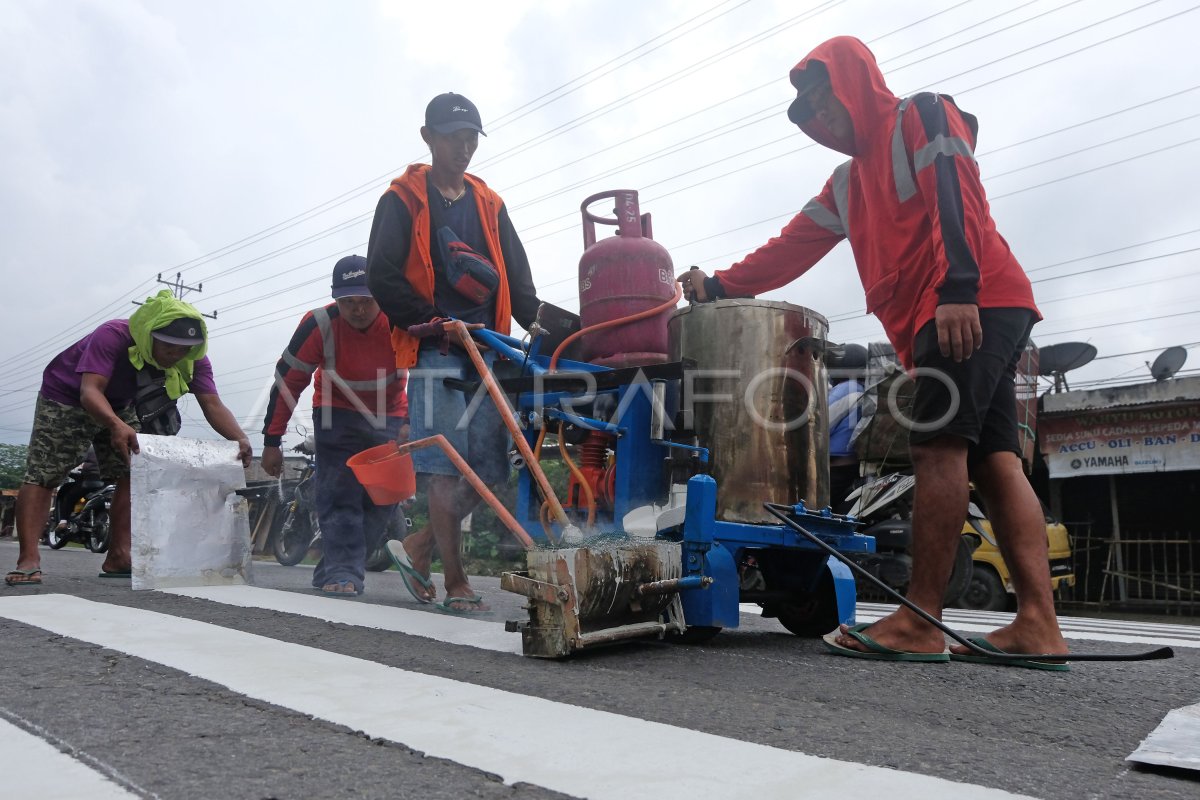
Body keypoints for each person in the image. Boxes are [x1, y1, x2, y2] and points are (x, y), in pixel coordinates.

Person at [679, 36, 1068, 665]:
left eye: (825, 101)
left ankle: (920, 621)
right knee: (996, 459)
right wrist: (720, 286)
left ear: (855, 83)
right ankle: (1038, 626)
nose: (821, 120)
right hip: (970, 305)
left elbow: (957, 187)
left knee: (935, 446)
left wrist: (958, 287)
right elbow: (791, 246)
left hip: (966, 299)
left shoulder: (920, 115)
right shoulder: (845, 183)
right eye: (810, 115)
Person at [367, 92, 540, 613]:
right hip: (435, 350)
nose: (463, 147)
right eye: (452, 137)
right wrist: (431, 323)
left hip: (487, 348)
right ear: (428, 137)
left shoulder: (489, 202)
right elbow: (382, 275)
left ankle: (417, 547)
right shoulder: (401, 199)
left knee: (491, 468)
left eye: (470, 138)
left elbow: (517, 271)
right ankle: (456, 582)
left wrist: (539, 327)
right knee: (445, 465)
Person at [6, 290, 252, 586]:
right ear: (150, 335)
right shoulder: (113, 335)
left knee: (135, 470)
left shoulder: (193, 359)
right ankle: (28, 559)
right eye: (170, 347)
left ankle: (119, 555)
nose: (177, 355)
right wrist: (114, 425)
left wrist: (239, 438)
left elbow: (212, 404)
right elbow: (90, 391)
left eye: (185, 349)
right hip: (67, 396)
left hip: (122, 402)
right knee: (44, 473)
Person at [260, 255, 408, 597]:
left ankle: (336, 567)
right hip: (335, 414)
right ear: (334, 298)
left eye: (366, 301)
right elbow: (288, 382)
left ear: (380, 297)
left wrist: (409, 421)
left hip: (388, 416)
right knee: (341, 492)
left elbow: (427, 369)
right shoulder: (318, 324)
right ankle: (343, 571)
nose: (358, 310)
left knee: (381, 500)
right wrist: (272, 440)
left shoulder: (399, 321)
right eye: (348, 302)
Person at [826, 343, 866, 512]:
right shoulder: (864, 391)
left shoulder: (847, 390)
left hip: (835, 472)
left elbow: (819, 427)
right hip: (852, 472)